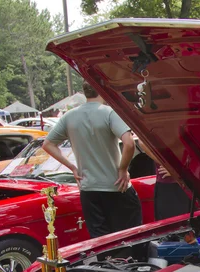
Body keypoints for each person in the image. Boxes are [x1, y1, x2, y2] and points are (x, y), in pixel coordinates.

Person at [43, 80, 143, 237]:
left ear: (84, 93)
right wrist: (123, 169)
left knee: (100, 240)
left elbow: (48, 144)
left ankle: (104, 262)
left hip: (88, 188)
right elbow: (129, 143)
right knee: (129, 236)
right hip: (116, 186)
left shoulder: (69, 117)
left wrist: (73, 167)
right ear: (102, 90)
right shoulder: (109, 113)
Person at [139, 140, 191, 220]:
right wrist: (170, 165)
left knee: (173, 226)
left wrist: (171, 165)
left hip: (175, 185)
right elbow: (142, 142)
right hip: (179, 184)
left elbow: (142, 142)